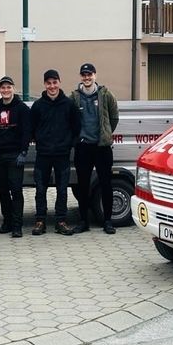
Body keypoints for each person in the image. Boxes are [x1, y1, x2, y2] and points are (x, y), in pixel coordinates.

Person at [70, 63, 120, 234]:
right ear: (80, 77)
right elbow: (69, 119)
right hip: (83, 147)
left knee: (106, 184)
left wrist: (106, 134)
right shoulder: (74, 97)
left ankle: (108, 221)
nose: (87, 77)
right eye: (84, 75)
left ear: (95, 75)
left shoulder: (106, 94)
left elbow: (114, 117)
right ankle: (84, 222)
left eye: (89, 74)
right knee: (82, 185)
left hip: (102, 148)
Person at [30, 69, 80, 236]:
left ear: (59, 82)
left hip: (62, 154)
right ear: (45, 84)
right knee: (40, 189)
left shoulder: (68, 104)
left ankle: (61, 221)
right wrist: (39, 140)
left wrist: (68, 145)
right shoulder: (37, 106)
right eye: (48, 83)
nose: (52, 86)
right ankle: (40, 221)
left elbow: (77, 128)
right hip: (43, 154)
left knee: (62, 189)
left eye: (54, 82)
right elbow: (31, 128)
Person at [0, 76, 31, 238]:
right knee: (2, 191)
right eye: (3, 87)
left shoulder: (22, 109)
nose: (6, 90)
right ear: (0, 90)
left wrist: (23, 152)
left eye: (9, 87)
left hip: (15, 156)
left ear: (13, 89)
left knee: (16, 190)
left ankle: (17, 225)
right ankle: (6, 222)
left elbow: (27, 132)